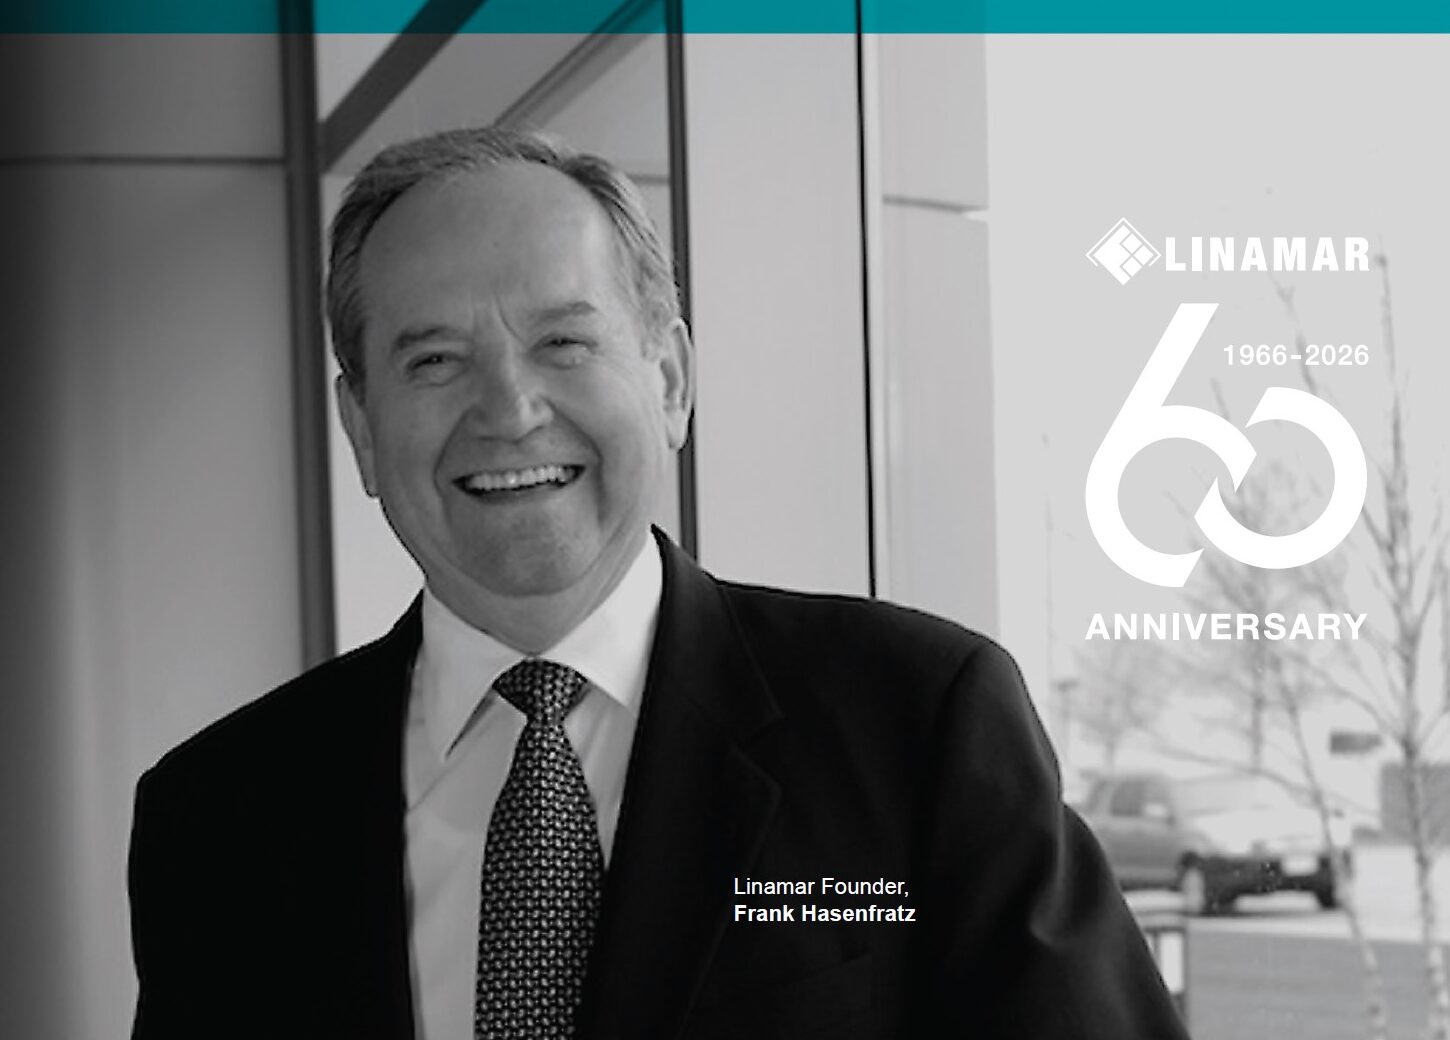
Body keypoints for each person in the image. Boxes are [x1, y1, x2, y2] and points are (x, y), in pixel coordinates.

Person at [128, 126, 1188, 1040]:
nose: (509, 409)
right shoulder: (216, 816)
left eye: (563, 343)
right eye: (433, 361)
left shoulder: (917, 720)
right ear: (361, 428)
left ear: (670, 379)